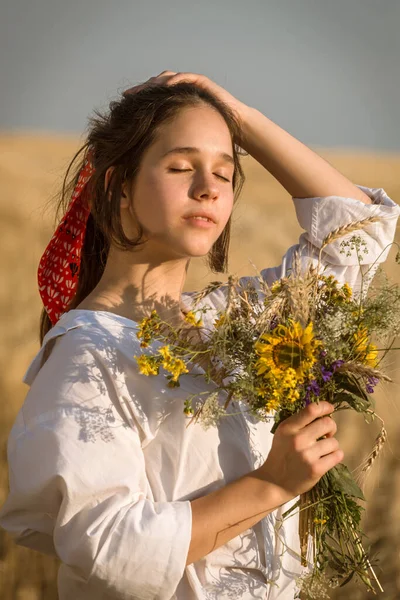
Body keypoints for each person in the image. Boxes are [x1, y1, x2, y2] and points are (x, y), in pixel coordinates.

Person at [0, 70, 399, 600]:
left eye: (225, 172)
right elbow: (111, 550)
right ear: (119, 186)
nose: (208, 187)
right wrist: (272, 485)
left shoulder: (234, 321)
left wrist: (241, 118)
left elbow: (359, 230)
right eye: (181, 166)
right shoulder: (86, 356)